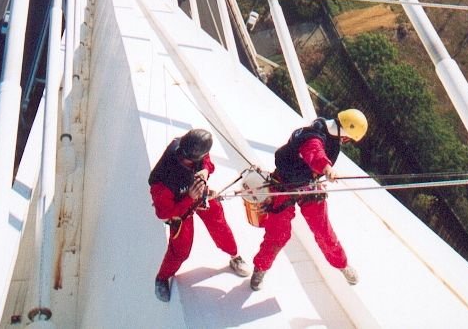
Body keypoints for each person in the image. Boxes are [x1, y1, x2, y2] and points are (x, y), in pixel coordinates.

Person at [250, 108, 368, 292]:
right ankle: (260, 268)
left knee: (323, 230)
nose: (346, 141)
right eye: (348, 139)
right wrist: (327, 169)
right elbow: (314, 153)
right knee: (278, 234)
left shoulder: (328, 132)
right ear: (345, 133)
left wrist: (323, 170)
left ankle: (342, 264)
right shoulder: (313, 137)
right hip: (284, 185)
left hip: (308, 184)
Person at [149, 128, 250, 302]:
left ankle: (234, 256)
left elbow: (207, 162)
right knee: (180, 250)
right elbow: (163, 213)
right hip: (180, 210)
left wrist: (205, 171)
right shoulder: (162, 181)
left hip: (199, 196)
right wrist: (189, 198)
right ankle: (162, 278)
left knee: (220, 226)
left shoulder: (191, 147)